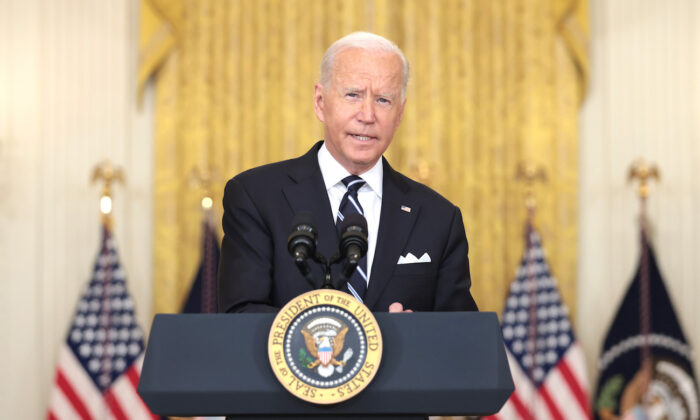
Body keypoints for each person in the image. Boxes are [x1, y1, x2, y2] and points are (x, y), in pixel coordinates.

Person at [218, 32, 477, 313]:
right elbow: (240, 315)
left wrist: (416, 337)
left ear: (400, 113)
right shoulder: (256, 197)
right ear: (320, 102)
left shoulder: (438, 217)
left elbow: (461, 337)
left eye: (383, 100)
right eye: (353, 95)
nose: (367, 115)